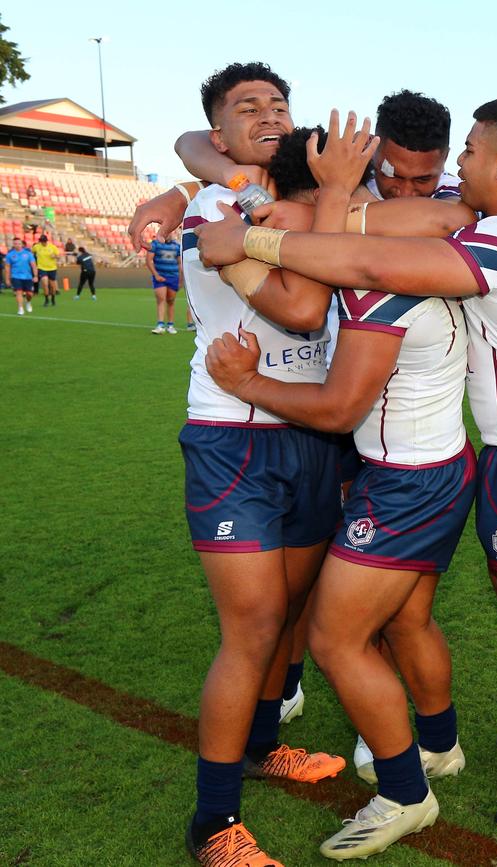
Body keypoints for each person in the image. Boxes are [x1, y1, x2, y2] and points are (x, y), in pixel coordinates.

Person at [197, 98, 497, 834]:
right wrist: (278, 212)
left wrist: (251, 242)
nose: (457, 170)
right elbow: (346, 221)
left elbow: (365, 259)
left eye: (471, 154)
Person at [205, 113, 476, 861]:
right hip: (439, 464)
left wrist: (249, 379)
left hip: (406, 481)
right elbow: (211, 158)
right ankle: (440, 745)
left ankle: (405, 793)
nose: (408, 188)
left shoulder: (378, 280)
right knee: (408, 620)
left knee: (334, 635)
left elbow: (337, 406)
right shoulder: (413, 240)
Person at [178, 63, 346, 867]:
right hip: (233, 436)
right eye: (247, 107)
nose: (268, 113)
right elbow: (303, 304)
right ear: (220, 136)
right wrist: (232, 188)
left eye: (278, 102)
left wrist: (299, 201)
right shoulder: (216, 205)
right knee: (250, 628)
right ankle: (213, 825)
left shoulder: (297, 199)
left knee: (288, 619)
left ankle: (260, 742)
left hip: (310, 433)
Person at [146, 236, 182, 333]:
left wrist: (180, 279)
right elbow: (149, 260)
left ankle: (170, 325)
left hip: (173, 276)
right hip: (160, 277)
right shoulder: (155, 244)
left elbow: (180, 263)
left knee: (171, 301)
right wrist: (156, 275)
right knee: (161, 299)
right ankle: (160, 325)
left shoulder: (177, 246)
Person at [5, 236, 37, 315]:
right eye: (15, 244)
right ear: (13, 244)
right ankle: (20, 308)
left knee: (29, 294)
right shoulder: (10, 255)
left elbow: (33, 265)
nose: (17, 245)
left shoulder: (28, 254)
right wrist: (7, 279)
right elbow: (7, 267)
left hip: (28, 277)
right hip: (16, 277)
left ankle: (28, 302)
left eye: (19, 243)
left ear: (22, 244)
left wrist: (35, 275)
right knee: (19, 292)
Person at [32, 234, 60, 306]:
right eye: (41, 241)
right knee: (45, 283)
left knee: (52, 286)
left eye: (44, 241)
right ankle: (46, 299)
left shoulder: (52, 247)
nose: (43, 243)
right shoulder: (36, 247)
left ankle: (53, 299)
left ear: (46, 241)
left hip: (52, 268)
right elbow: (31, 252)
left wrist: (55, 256)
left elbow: (58, 256)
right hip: (41, 268)